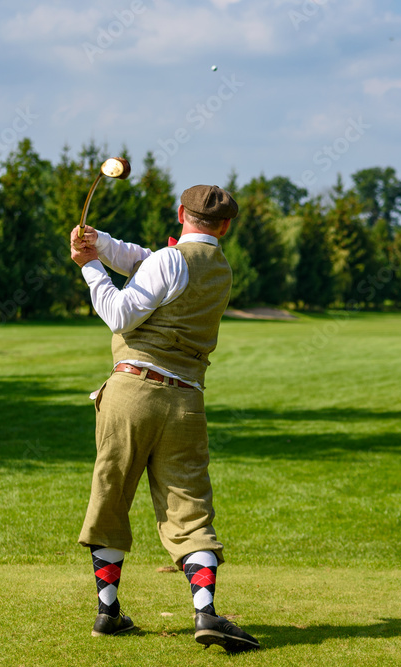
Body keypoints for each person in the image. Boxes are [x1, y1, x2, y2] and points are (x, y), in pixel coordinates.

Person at [68, 184, 260, 654]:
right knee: (190, 506)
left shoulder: (167, 262)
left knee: (112, 497)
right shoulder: (219, 269)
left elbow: (119, 313)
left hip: (133, 392)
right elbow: (144, 260)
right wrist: (101, 242)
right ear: (227, 226)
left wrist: (90, 266)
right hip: (187, 401)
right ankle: (205, 610)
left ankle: (108, 611)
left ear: (180, 213)